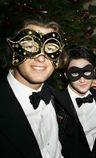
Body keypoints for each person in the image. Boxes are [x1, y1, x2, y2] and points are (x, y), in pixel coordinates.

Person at [0, 15, 66, 158]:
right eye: (30, 46)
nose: (41, 58)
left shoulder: (56, 94)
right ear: (13, 49)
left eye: (50, 47)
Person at [50, 46, 96, 158]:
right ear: (66, 75)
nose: (82, 80)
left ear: (93, 71)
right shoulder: (55, 104)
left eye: (87, 72)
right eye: (75, 73)